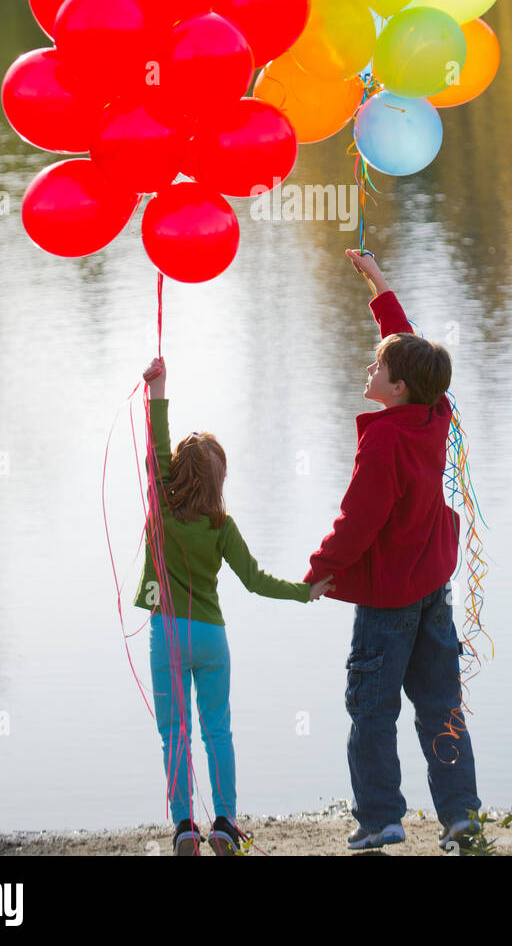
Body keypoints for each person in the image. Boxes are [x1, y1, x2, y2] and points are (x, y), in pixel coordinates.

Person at [303, 249, 482, 853]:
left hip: (388, 600)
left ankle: (381, 818)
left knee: (372, 711)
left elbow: (359, 520)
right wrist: (378, 284)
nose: (372, 366)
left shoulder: (382, 444)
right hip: (433, 588)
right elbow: (415, 350)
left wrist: (320, 571)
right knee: (440, 704)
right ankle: (460, 816)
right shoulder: (433, 413)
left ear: (397, 387)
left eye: (379, 366)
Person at [134, 355, 332, 856]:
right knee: (216, 728)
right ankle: (223, 823)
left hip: (169, 635)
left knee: (173, 732)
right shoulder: (223, 526)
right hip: (212, 637)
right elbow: (256, 581)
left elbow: (156, 446)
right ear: (220, 481)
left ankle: (184, 828)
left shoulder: (162, 500)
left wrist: (159, 390)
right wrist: (305, 590)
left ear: (176, 470)